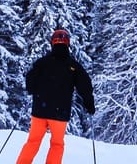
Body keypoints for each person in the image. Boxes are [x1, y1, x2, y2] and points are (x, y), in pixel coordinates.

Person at [18, 28, 95, 164]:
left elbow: (30, 79)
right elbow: (85, 85)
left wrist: (33, 90)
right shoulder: (73, 66)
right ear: (68, 44)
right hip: (60, 113)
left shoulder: (42, 63)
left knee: (33, 142)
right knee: (57, 144)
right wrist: (89, 104)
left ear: (52, 43)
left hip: (39, 110)